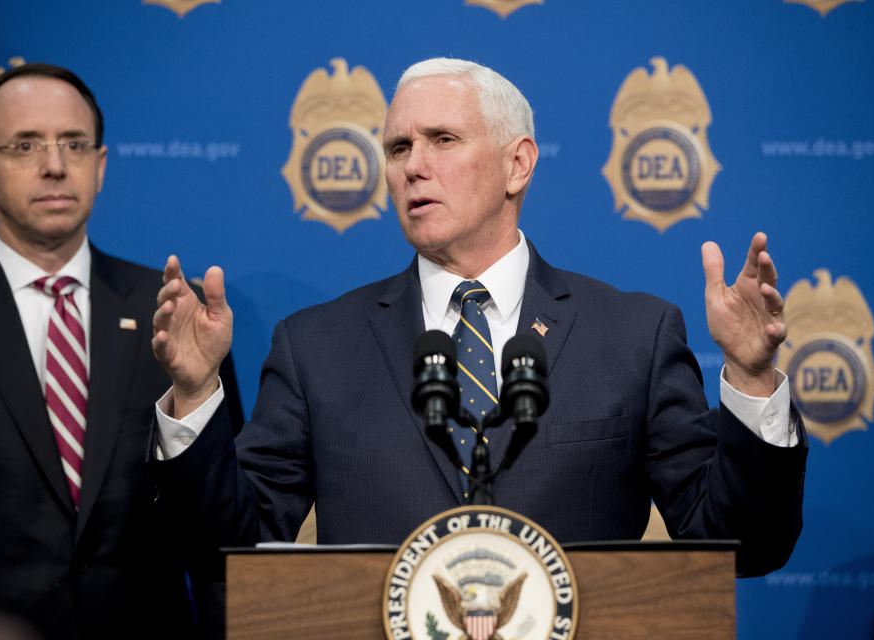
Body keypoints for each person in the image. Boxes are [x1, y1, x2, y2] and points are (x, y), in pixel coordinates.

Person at [150, 58, 807, 578]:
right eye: (398, 146)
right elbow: (224, 551)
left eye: (441, 139)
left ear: (516, 164)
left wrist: (750, 380)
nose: (413, 166)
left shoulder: (632, 335)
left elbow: (741, 546)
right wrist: (193, 394)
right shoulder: (316, 346)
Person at [0, 63, 243, 639]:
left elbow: (222, 535)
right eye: (25, 145)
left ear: (101, 165)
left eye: (74, 144)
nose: (54, 165)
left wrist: (194, 393)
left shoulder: (173, 313)